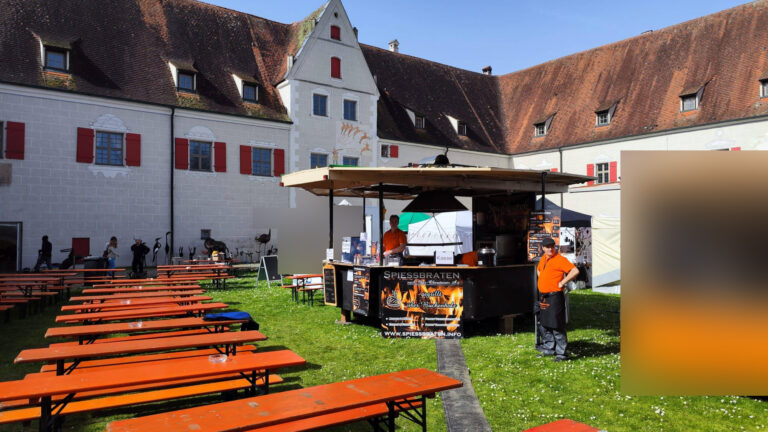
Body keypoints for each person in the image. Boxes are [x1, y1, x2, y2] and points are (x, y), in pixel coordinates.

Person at [536, 237, 579, 361]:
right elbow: (539, 270)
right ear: (543, 248)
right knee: (545, 324)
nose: (550, 249)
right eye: (548, 247)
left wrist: (562, 282)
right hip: (544, 296)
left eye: (552, 246)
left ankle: (562, 353)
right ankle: (549, 349)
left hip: (555, 296)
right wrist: (543, 281)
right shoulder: (543, 258)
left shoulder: (560, 259)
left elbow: (575, 271)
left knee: (556, 325)